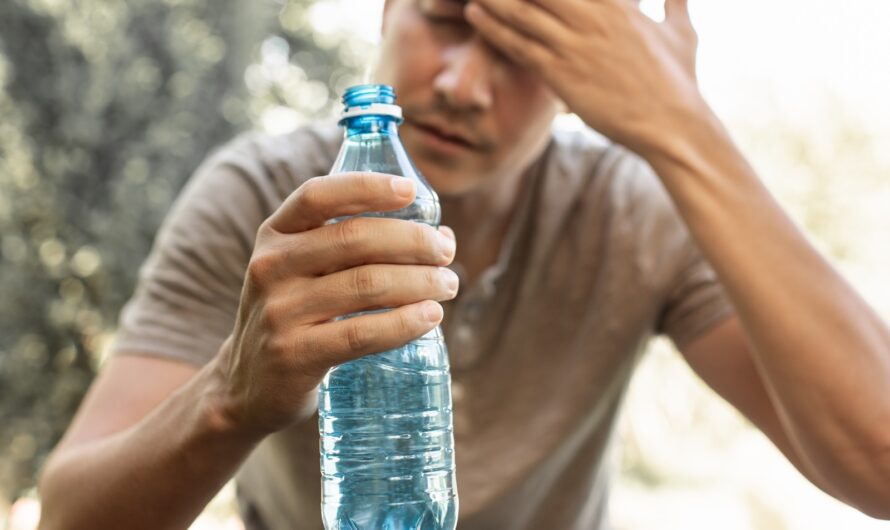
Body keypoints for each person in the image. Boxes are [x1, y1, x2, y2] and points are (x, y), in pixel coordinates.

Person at [37, 0, 890, 528]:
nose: (463, 84)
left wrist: (681, 126)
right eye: (446, 17)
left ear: (579, 82)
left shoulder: (634, 212)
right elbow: (70, 520)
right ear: (383, 12)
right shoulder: (259, 201)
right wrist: (229, 397)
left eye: (525, 51)